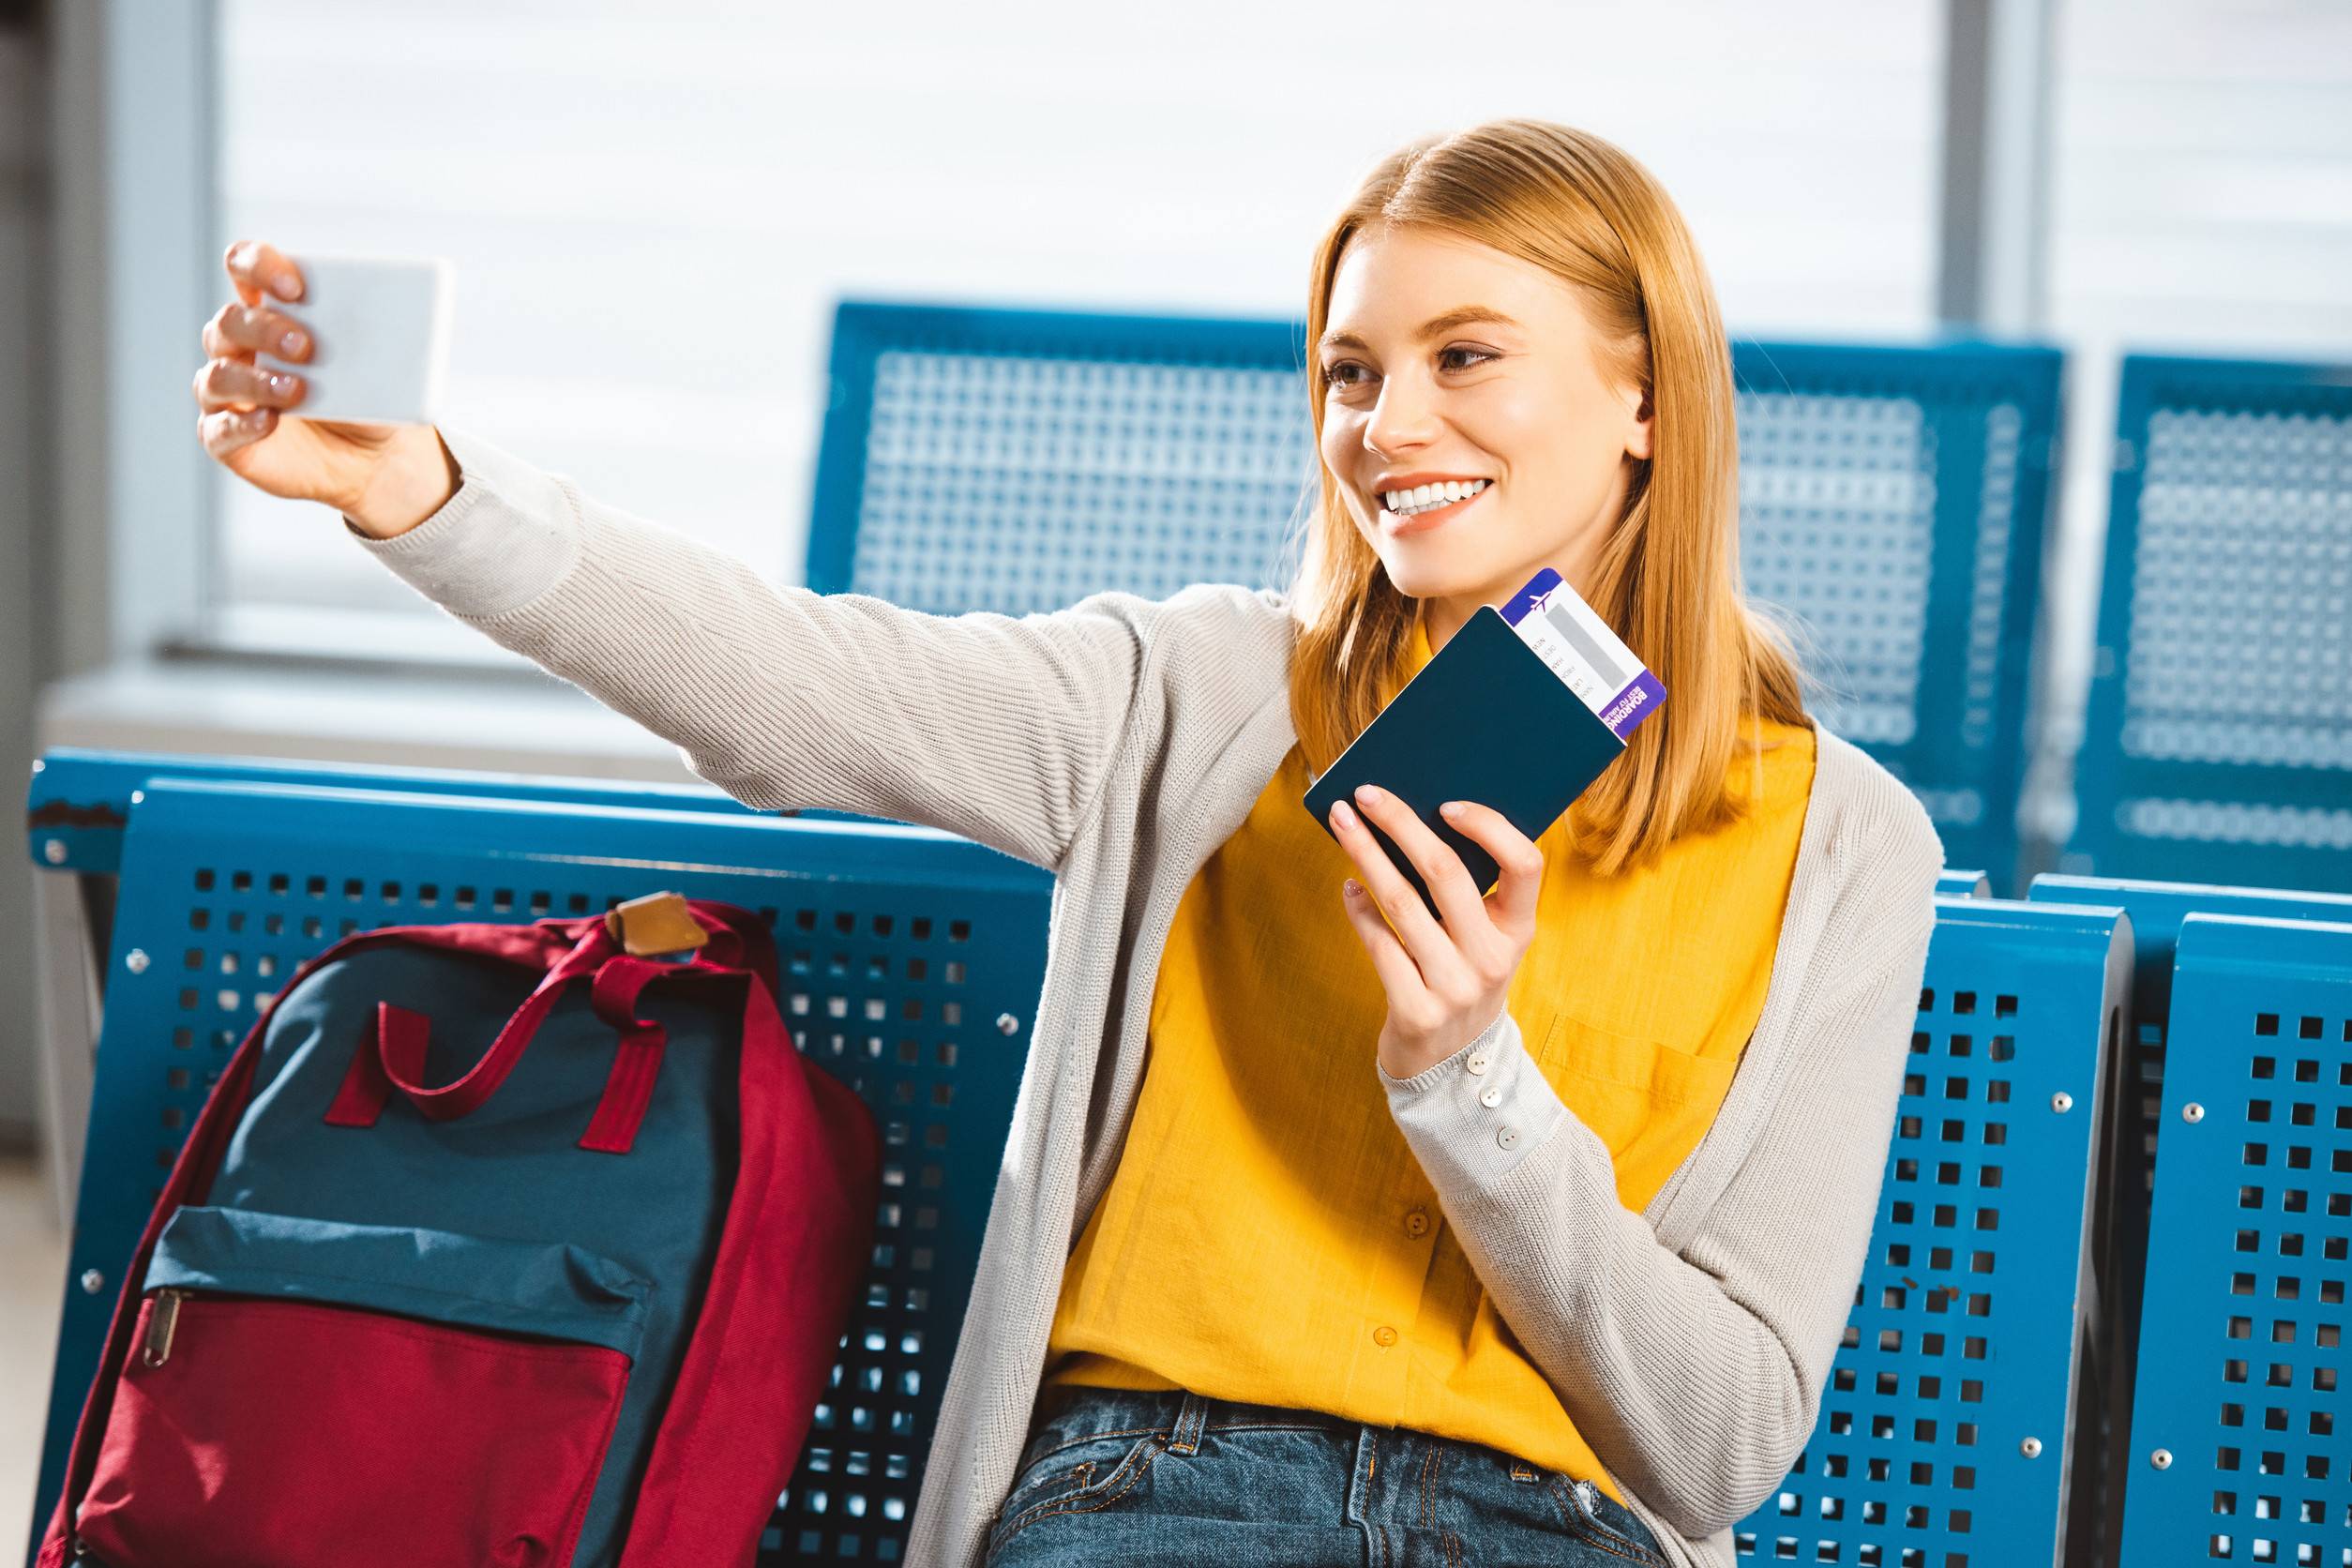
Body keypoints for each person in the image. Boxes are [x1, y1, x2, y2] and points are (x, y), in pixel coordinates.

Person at [193, 118, 1943, 1568]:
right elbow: (801, 690)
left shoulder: (1841, 848)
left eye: (1463, 357)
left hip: (1559, 1528)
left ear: (1648, 398)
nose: (1385, 428)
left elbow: (1720, 1445)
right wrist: (421, 492)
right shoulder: (1195, 697)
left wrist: (1470, 1081)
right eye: (1349, 372)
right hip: (1159, 1496)